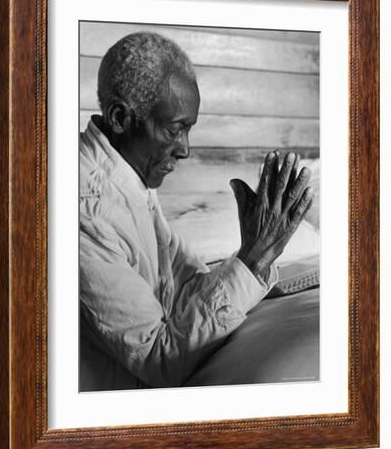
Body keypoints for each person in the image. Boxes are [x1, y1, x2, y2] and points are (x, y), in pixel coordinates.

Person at [79, 31, 314, 391]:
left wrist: (257, 259)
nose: (185, 150)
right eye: (175, 130)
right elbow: (159, 359)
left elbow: (185, 289)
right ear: (120, 118)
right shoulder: (86, 210)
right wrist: (252, 258)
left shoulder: (127, 173)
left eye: (188, 129)